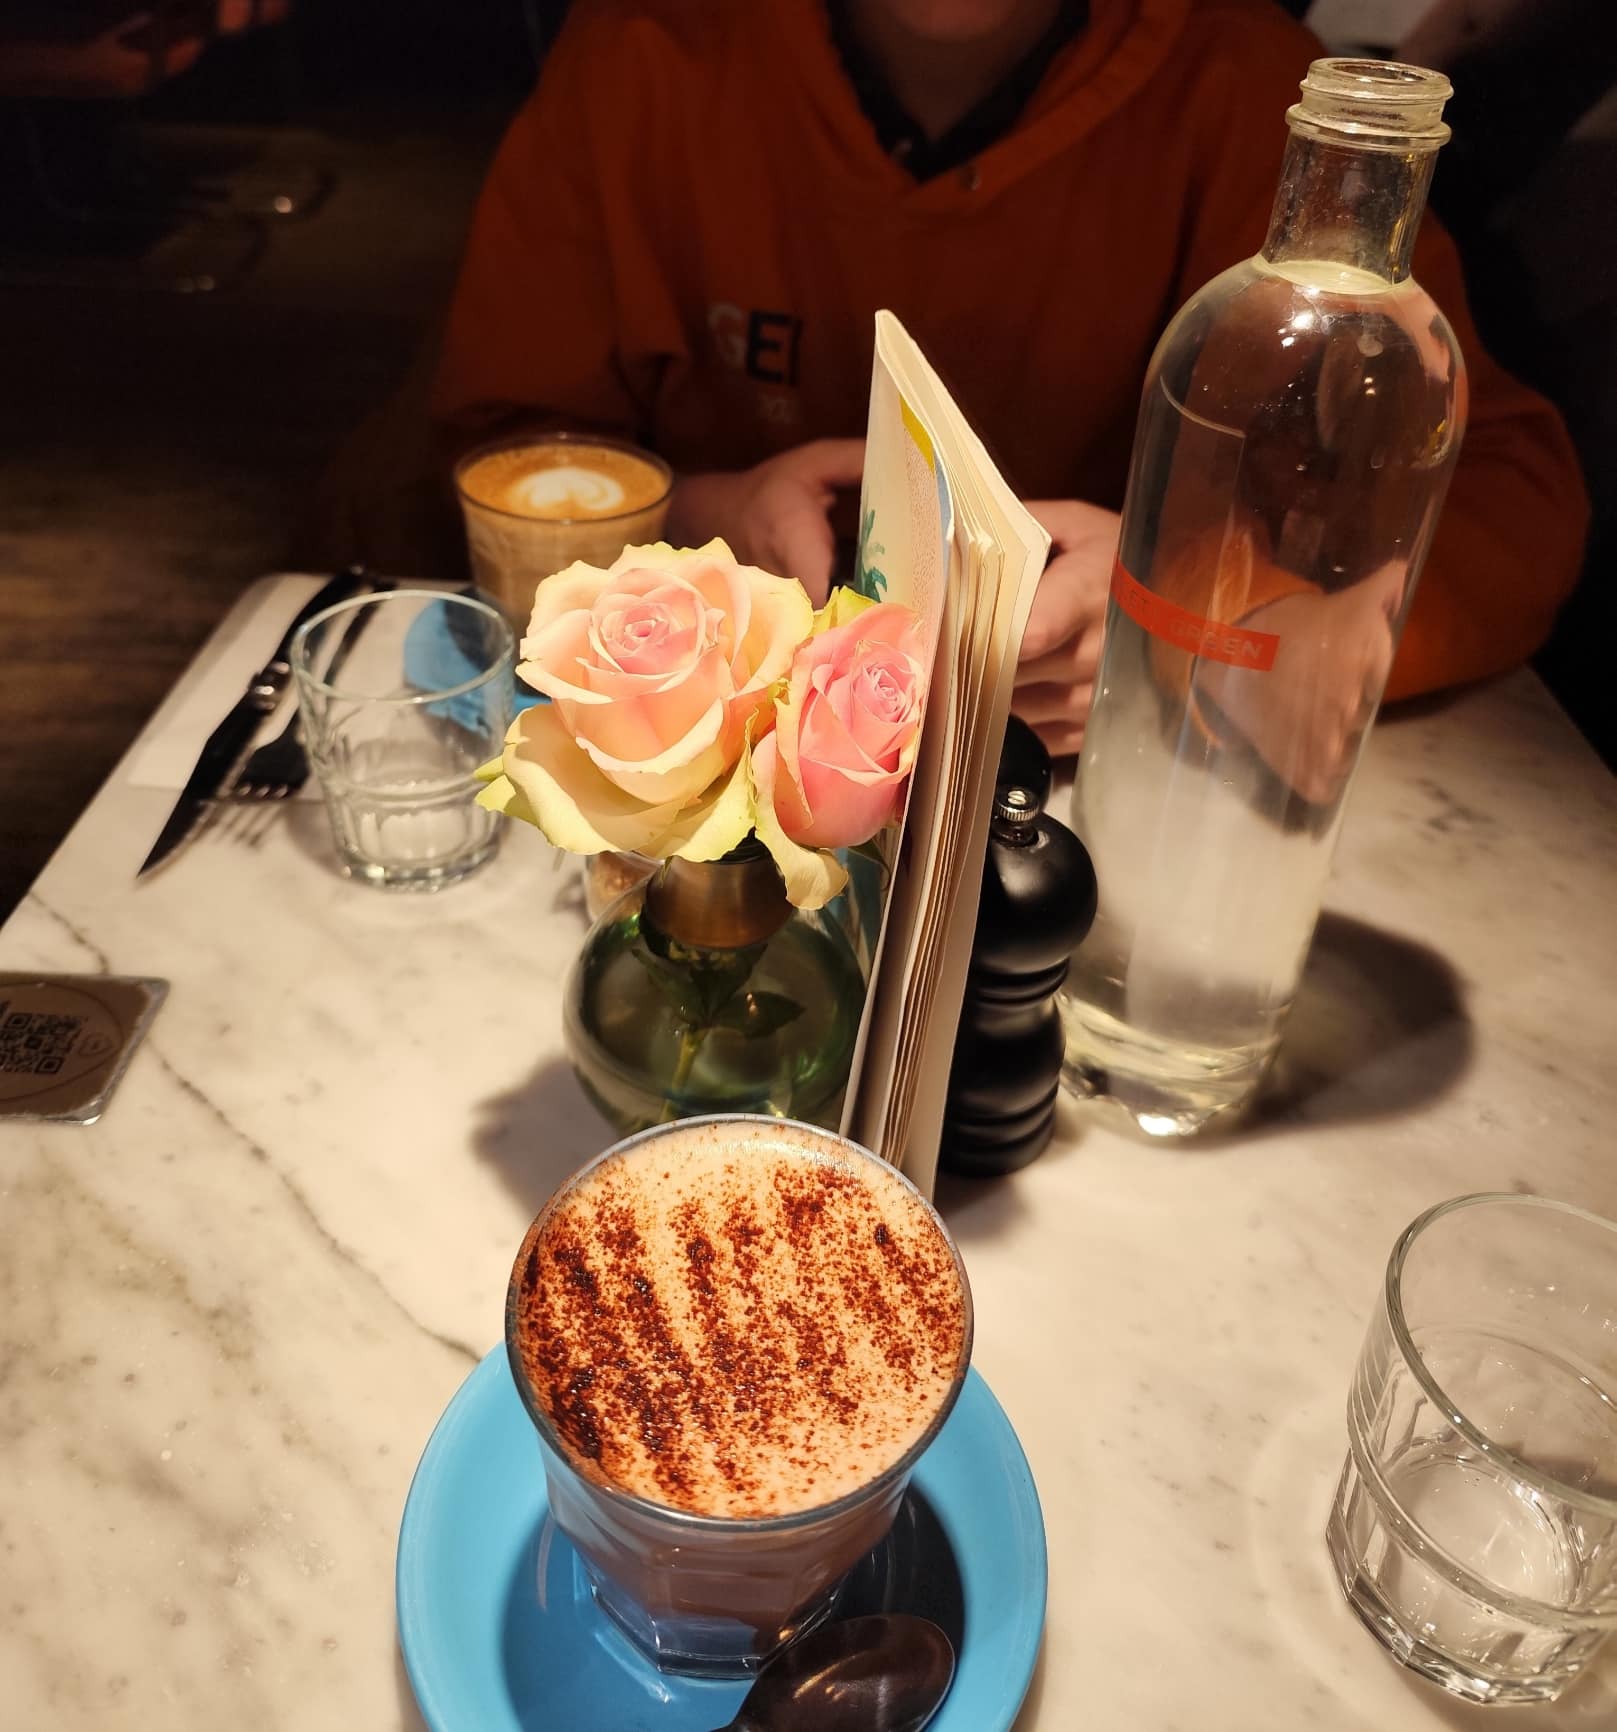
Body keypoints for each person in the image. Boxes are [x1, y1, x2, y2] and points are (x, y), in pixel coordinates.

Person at [428, 0, 1588, 759]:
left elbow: (1499, 498)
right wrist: (700, 512)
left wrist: (1180, 620)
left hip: (1095, 793)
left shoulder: (1251, 94)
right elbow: (494, 453)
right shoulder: (638, 54)